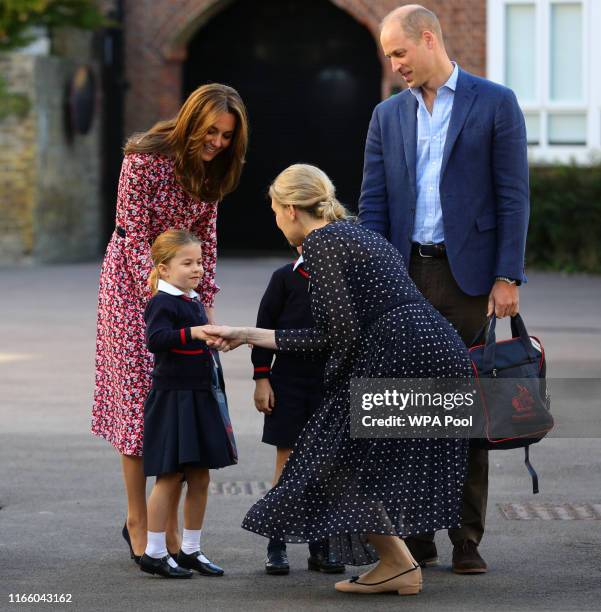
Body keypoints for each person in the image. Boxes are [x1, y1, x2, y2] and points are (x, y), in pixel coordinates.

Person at [202, 163, 471, 596]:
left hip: (399, 356)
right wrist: (247, 334)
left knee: (332, 460)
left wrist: (255, 339)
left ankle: (399, 564)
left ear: (291, 209)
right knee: (354, 463)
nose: (274, 221)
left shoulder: (322, 243)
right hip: (436, 349)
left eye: (273, 210)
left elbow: (331, 336)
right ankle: (397, 564)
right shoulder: (358, 233)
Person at [358, 4, 529, 574]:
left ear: (428, 39)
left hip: (469, 282)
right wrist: (373, 280)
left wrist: (507, 276)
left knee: (462, 410)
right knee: (405, 411)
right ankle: (416, 536)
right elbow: (374, 204)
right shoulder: (386, 116)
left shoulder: (494, 102)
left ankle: (466, 538)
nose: (394, 65)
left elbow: (513, 196)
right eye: (389, 57)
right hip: (405, 276)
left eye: (399, 53)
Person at [91, 83, 248, 564]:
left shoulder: (214, 169)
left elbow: (208, 240)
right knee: (142, 407)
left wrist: (207, 304)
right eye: (213, 131)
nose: (219, 142)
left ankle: (171, 530)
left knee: (181, 406)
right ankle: (138, 521)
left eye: (227, 136)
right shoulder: (143, 158)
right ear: (191, 120)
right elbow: (135, 235)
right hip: (132, 288)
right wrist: (169, 297)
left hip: (184, 289)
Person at [139, 229, 236, 578]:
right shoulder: (162, 302)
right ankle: (153, 552)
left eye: (200, 262)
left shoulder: (192, 299)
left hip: (200, 396)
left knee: (200, 476)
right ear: (164, 270)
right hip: (173, 399)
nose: (197, 269)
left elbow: (196, 343)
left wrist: (213, 340)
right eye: (187, 263)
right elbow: (156, 340)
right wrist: (194, 333)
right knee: (169, 476)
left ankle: (191, 549)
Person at [252, 247, 344, 575]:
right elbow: (263, 327)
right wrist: (262, 377)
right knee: (287, 461)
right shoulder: (284, 278)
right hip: (288, 381)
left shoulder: (342, 279)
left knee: (325, 465)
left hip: (329, 382)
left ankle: (321, 545)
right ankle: (276, 543)